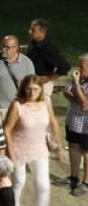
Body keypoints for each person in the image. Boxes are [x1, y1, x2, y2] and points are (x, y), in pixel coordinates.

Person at [3, 74, 60, 206]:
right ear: (23, 88)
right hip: (18, 150)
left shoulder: (46, 102)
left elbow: (53, 121)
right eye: (29, 89)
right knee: (18, 183)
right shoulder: (17, 105)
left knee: (43, 185)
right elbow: (7, 129)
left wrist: (58, 144)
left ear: (41, 89)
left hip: (40, 149)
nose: (32, 92)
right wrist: (10, 155)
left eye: (36, 89)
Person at [0, 35, 36, 122]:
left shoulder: (27, 63)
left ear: (16, 48)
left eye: (7, 47)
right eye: (3, 46)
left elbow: (32, 86)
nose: (4, 50)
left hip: (14, 108)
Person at [26, 19, 71, 102]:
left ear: (42, 33)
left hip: (42, 86)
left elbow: (65, 66)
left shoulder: (48, 49)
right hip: (32, 83)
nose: (29, 31)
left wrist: (49, 78)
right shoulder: (34, 43)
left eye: (33, 30)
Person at [67, 54, 88, 196]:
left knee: (87, 153)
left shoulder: (77, 81)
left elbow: (86, 104)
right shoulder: (79, 78)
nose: (79, 69)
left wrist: (76, 85)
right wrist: (78, 100)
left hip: (86, 126)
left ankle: (86, 183)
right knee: (73, 146)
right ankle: (73, 178)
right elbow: (66, 92)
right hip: (74, 121)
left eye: (82, 66)